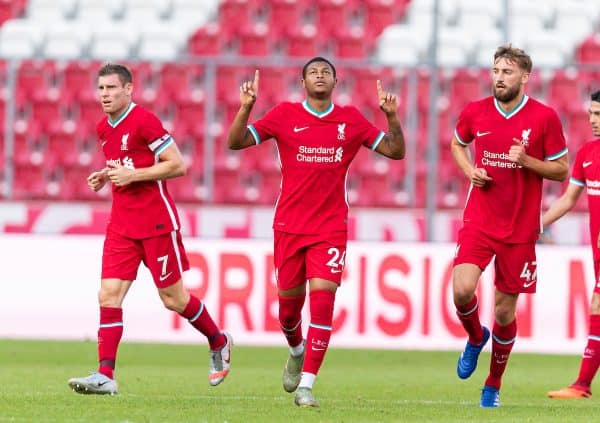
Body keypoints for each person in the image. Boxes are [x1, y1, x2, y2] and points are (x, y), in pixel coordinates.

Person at [226, 57, 406, 407]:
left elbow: (396, 151)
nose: (320, 76)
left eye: (326, 72)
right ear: (302, 81)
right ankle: (296, 350)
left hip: (330, 228)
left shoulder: (350, 119)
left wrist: (392, 116)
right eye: (313, 72)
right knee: (288, 314)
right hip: (289, 226)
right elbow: (236, 142)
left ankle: (307, 384)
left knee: (322, 305)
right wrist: (245, 108)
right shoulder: (283, 115)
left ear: (336, 82)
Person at [68, 63, 232, 395]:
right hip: (122, 226)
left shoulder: (145, 121)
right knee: (108, 295)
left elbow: (177, 165)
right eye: (101, 89)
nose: (105, 95)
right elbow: (125, 160)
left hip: (156, 223)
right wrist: (105, 173)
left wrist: (132, 176)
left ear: (129, 89)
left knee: (173, 299)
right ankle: (105, 374)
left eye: (112, 88)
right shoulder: (104, 127)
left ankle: (218, 340)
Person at [450, 45, 568, 407]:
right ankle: (474, 337)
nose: (499, 77)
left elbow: (562, 169)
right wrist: (471, 171)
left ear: (525, 77)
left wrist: (528, 160)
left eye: (507, 72)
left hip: (519, 230)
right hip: (480, 221)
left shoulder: (544, 117)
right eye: (496, 70)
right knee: (461, 290)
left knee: (504, 312)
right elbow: (458, 143)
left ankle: (493, 384)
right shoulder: (475, 111)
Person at [546, 90, 600, 399]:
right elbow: (568, 199)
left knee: (598, 306)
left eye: (598, 114)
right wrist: (538, 225)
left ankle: (582, 384)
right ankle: (582, 384)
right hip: (597, 252)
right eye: (591, 113)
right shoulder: (587, 153)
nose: (592, 120)